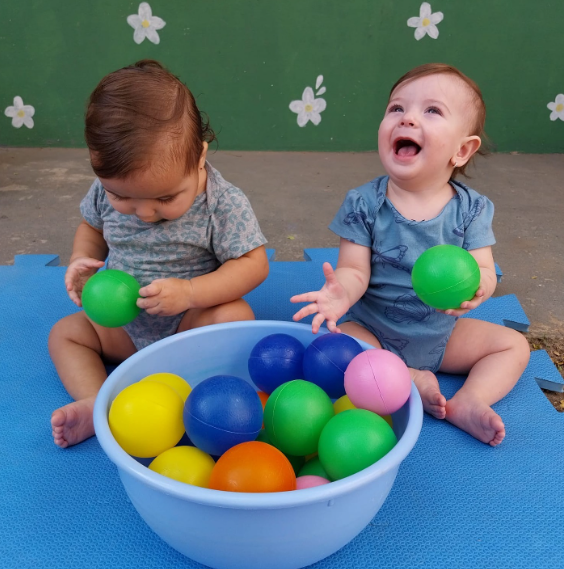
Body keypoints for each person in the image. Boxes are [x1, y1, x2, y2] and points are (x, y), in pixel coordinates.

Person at [291, 63, 530, 446]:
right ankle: (405, 377)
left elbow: (484, 267)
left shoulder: (472, 209)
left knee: (514, 346)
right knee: (332, 345)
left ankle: (471, 399)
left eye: (432, 111)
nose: (408, 119)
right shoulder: (364, 203)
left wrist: (479, 288)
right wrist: (341, 294)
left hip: (443, 334)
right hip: (375, 332)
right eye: (396, 109)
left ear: (463, 150)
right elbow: (354, 270)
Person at [49, 60, 269, 448]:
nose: (145, 212)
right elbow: (92, 229)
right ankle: (99, 403)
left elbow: (254, 265)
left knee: (236, 316)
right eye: (122, 197)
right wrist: (82, 258)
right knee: (65, 334)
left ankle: (191, 403)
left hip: (188, 327)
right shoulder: (103, 191)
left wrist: (190, 294)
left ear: (199, 157)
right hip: (124, 331)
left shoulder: (223, 203)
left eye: (166, 198)